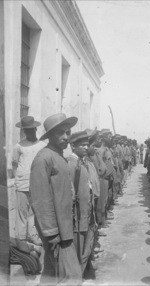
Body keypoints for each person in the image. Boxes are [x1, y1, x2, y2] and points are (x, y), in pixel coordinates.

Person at [30, 113, 82, 284]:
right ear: (50, 135)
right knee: (72, 277)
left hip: (65, 226)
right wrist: (51, 231)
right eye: (61, 133)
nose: (66, 137)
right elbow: (40, 199)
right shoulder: (43, 158)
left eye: (68, 133)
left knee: (52, 275)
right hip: (56, 230)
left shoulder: (59, 156)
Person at [12, 116, 46, 245]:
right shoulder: (19, 146)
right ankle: (20, 238)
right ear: (23, 131)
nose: (29, 132)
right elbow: (15, 163)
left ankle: (33, 236)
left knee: (34, 210)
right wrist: (18, 177)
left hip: (37, 182)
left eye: (31, 130)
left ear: (35, 129)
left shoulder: (42, 145)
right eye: (26, 130)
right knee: (21, 211)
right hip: (22, 183)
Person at [68, 131, 97, 277]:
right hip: (78, 216)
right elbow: (70, 194)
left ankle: (82, 272)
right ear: (73, 146)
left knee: (85, 245)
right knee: (79, 248)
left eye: (87, 145)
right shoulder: (72, 164)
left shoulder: (80, 162)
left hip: (85, 213)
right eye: (82, 145)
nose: (86, 147)